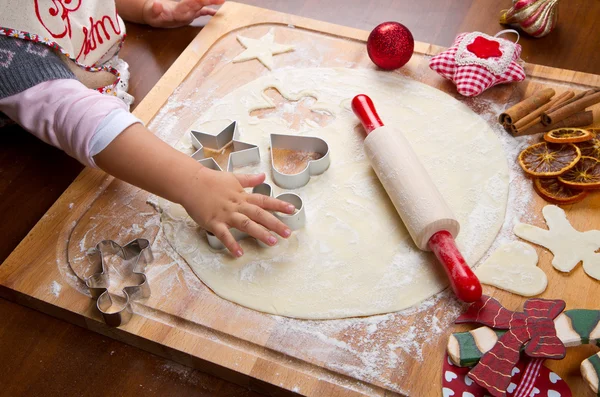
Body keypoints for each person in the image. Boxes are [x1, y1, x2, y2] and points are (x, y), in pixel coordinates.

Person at [0, 0, 295, 258]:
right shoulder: (8, 52)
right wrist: (193, 183)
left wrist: (143, 9)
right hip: (37, 151)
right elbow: (76, 116)